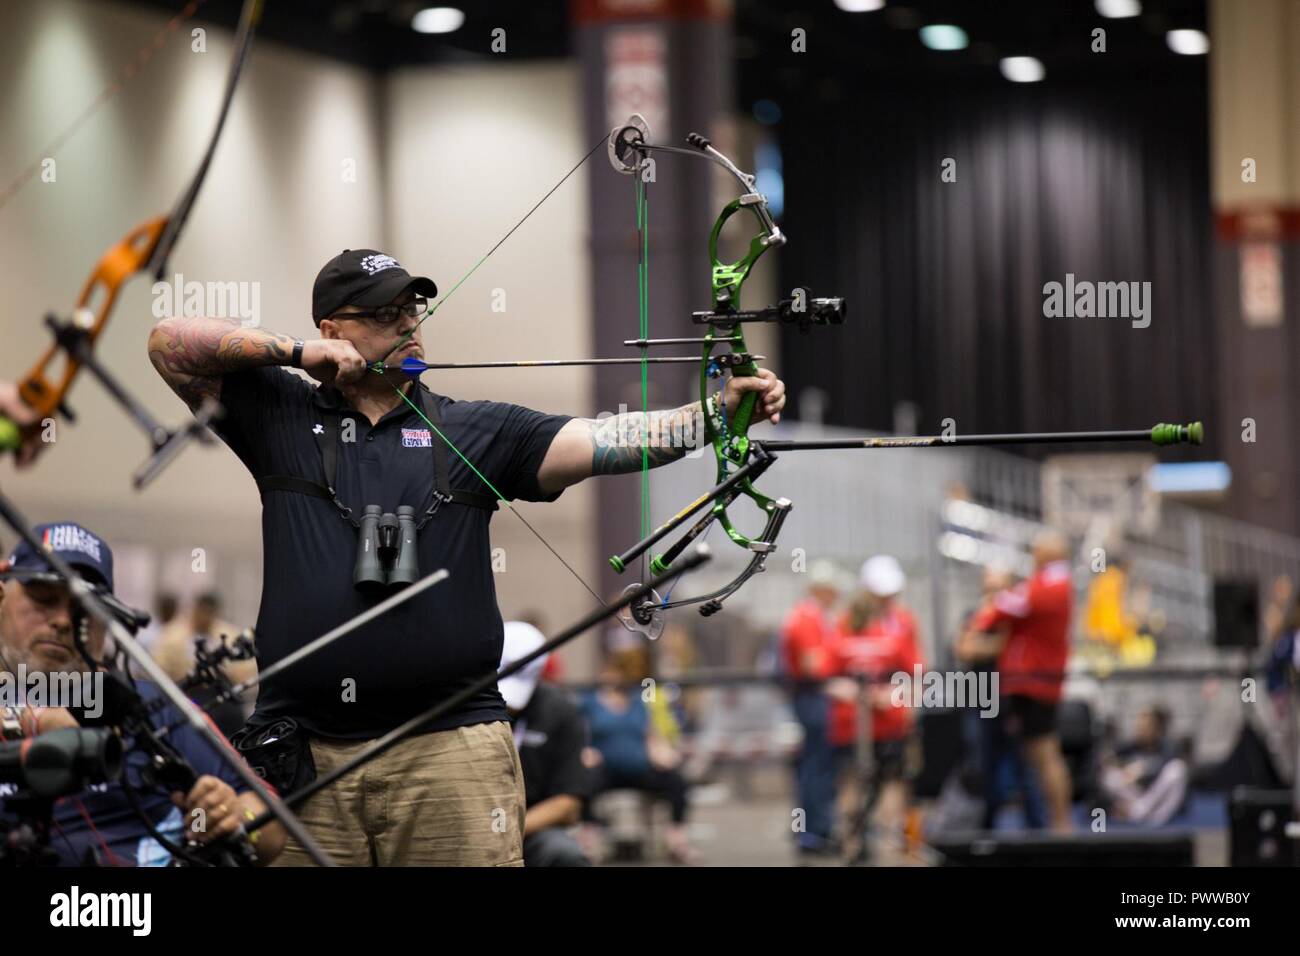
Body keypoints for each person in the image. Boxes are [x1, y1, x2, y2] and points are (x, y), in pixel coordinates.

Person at [147, 249, 786, 865]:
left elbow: (608, 438)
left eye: (412, 309)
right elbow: (169, 342)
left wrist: (715, 415)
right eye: (381, 313)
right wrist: (294, 354)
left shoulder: (475, 428)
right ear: (331, 329)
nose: (407, 322)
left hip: (448, 750)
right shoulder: (277, 413)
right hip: (304, 755)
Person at [0, 522, 285, 866]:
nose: (62, 620)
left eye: (84, 609)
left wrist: (234, 816)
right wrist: (31, 723)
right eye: (44, 599)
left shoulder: (152, 707)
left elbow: (273, 828)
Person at [964, 531, 1075, 831]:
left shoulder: (1049, 586)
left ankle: (1060, 824)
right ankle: (1054, 823)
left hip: (1033, 682)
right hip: (1011, 686)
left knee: (1043, 754)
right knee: (1030, 756)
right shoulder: (1048, 585)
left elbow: (998, 613)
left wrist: (991, 611)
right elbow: (968, 643)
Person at [833, 555, 923, 860]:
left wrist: (897, 695)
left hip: (890, 720)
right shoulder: (846, 623)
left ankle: (891, 842)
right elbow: (825, 673)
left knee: (892, 779)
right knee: (853, 781)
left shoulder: (903, 621)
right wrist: (850, 691)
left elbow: (915, 671)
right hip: (851, 723)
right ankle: (853, 842)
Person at [582, 651, 697, 863]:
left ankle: (676, 841)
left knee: (677, 781)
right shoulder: (589, 703)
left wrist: (661, 752)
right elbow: (577, 733)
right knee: (583, 783)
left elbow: (650, 734)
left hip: (639, 768)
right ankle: (590, 842)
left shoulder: (639, 702)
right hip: (606, 769)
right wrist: (585, 750)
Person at [499, 621, 591, 867]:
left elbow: (569, 803)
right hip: (469, 824)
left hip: (530, 827)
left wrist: (504, 830)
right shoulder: (461, 707)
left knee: (564, 853)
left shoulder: (561, 711)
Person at [778, 560, 843, 856]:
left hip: (813, 697)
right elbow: (812, 665)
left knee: (816, 765)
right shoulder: (807, 618)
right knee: (816, 767)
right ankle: (812, 833)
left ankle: (815, 829)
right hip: (811, 697)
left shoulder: (813, 617)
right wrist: (840, 656)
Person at [152, 592, 253, 736]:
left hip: (223, 694)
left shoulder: (228, 633)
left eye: (209, 613)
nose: (204, 617)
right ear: (195, 610)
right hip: (187, 693)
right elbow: (159, 665)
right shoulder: (173, 634)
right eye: (202, 612)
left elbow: (245, 668)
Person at [1098, 706, 1190, 825]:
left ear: (1156, 729)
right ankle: (1137, 812)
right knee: (1110, 775)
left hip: (1157, 800)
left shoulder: (1169, 746)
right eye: (1140, 727)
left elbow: (1164, 771)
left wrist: (1141, 772)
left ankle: (1139, 814)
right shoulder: (1133, 744)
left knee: (1177, 769)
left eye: (1146, 727)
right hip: (1138, 795)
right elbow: (1109, 757)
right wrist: (1123, 768)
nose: (1142, 731)